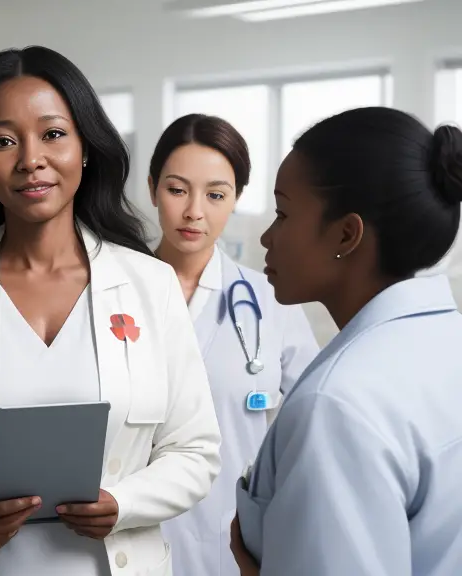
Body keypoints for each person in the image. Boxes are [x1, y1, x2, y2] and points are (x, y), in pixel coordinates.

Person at [0, 46, 223, 576]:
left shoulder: (149, 283)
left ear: (86, 147)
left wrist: (124, 504)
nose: (30, 158)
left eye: (53, 134)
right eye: (3, 141)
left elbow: (194, 450)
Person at [229, 107, 462, 576]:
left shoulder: (335, 406)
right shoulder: (446, 342)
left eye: (283, 212)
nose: (268, 236)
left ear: (346, 233)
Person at [149, 114, 319, 576]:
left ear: (237, 199)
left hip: (232, 546)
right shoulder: (110, 294)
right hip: (128, 539)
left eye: (216, 194)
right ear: (152, 189)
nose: (194, 212)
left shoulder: (271, 301)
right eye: (177, 189)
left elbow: (314, 423)